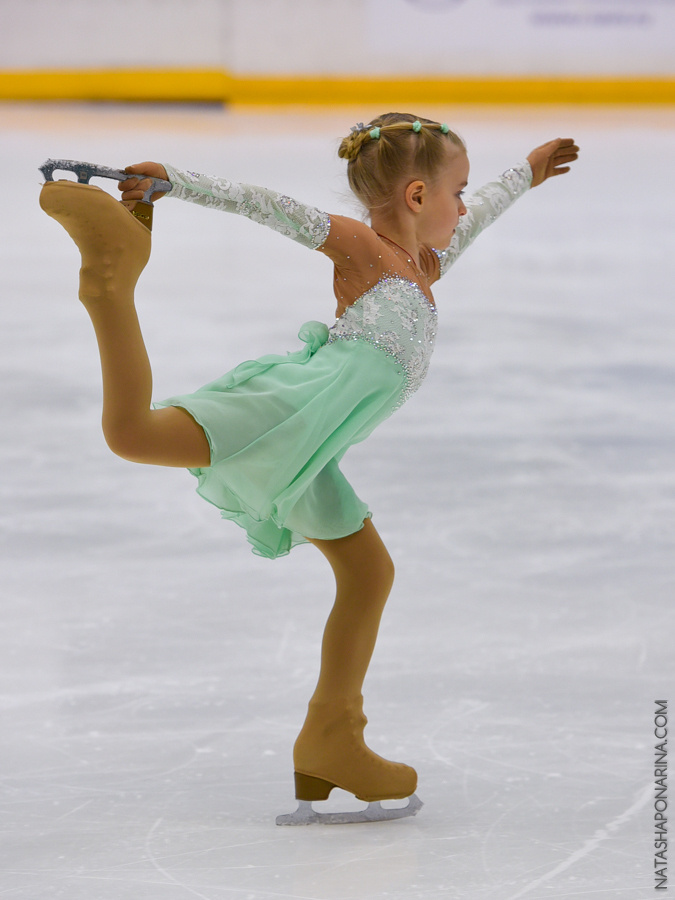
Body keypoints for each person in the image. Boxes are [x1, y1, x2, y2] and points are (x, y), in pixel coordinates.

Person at [39, 113, 578, 821]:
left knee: (367, 571)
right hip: (290, 411)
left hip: (314, 445)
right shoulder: (363, 248)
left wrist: (526, 177)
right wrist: (176, 183)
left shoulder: (423, 266)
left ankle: (332, 739)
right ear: (416, 197)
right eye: (459, 191)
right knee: (134, 433)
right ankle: (110, 282)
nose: (463, 206)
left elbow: (472, 225)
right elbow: (268, 206)